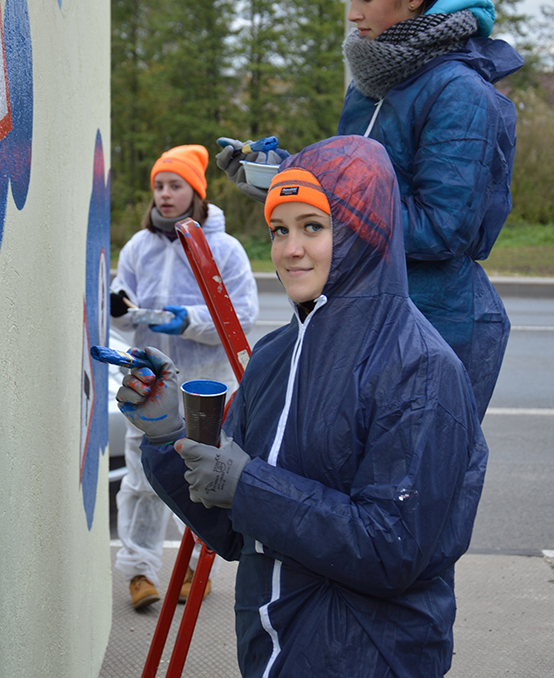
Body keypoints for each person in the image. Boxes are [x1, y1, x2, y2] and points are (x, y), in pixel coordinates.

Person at [116, 135, 487, 678]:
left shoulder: (420, 369)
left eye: (313, 227)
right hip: (268, 653)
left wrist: (248, 485)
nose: (290, 250)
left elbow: (392, 550)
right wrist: (167, 437)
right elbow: (234, 532)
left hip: (367, 658)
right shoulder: (273, 357)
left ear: (364, 231)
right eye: (279, 229)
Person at [217, 0, 521, 420]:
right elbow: (351, 184)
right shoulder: (371, 85)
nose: (353, 13)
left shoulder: (459, 92)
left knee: (411, 473)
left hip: (436, 324)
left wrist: (321, 201)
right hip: (362, 312)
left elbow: (443, 228)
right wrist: (284, 176)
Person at [110, 143, 259, 609]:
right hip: (152, 391)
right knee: (141, 482)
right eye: (159, 185)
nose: (165, 194)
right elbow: (123, 313)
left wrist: (189, 321)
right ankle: (140, 573)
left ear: (197, 193)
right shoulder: (138, 248)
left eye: (176, 185)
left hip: (205, 392)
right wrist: (118, 308)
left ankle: (195, 566)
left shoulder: (224, 249)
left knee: (201, 481)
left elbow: (242, 315)